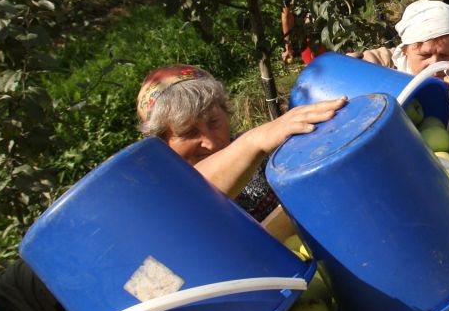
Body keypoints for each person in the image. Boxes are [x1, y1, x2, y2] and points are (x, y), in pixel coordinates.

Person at [136, 65, 345, 220]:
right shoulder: (163, 197)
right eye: (189, 132)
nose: (209, 142)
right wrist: (253, 142)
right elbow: (192, 196)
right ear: (162, 143)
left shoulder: (261, 156)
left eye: (214, 122)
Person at [347, 0, 449, 82]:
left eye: (445, 55)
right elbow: (370, 60)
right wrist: (348, 65)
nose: (435, 64)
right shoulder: (389, 64)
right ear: (405, 50)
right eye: (425, 55)